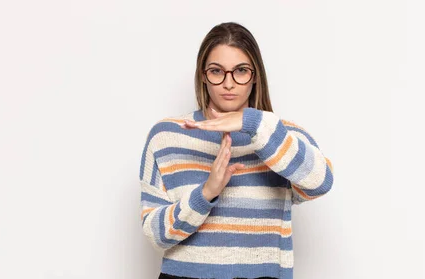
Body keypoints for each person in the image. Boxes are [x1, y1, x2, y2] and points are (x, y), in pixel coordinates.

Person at [139, 22, 334, 279]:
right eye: (217, 71)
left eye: (241, 71)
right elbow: (154, 234)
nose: (228, 83)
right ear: (202, 75)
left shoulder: (277, 135)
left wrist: (252, 123)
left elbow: (321, 181)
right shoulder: (167, 136)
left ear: (255, 76)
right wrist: (206, 193)